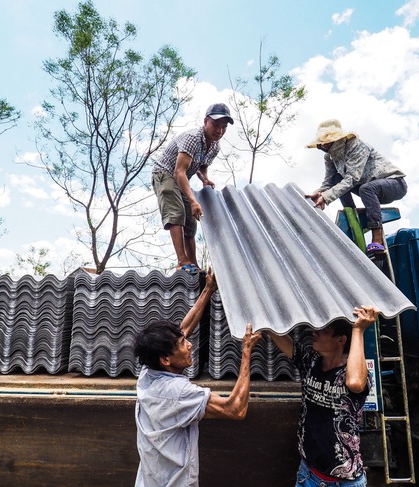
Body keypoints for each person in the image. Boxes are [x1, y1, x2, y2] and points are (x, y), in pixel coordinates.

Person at [133, 269, 262, 486]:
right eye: (183, 345)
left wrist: (208, 289)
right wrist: (246, 351)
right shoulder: (177, 393)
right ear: (165, 359)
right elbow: (235, 409)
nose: (189, 344)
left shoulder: (147, 375)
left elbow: (183, 329)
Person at [267, 306, 380, 487]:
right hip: (308, 474)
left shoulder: (352, 374)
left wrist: (358, 330)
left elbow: (356, 384)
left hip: (343, 483)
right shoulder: (311, 362)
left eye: (324, 330)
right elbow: (281, 338)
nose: (315, 333)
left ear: (340, 340)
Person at [151, 103, 234, 275]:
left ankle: (193, 263)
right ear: (205, 121)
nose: (219, 131)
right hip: (165, 174)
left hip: (181, 179)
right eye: (216, 125)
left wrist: (205, 179)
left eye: (223, 127)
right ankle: (182, 261)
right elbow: (179, 171)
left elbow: (201, 165)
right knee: (177, 212)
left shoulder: (214, 146)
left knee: (190, 221)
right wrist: (193, 200)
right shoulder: (193, 138)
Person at [304, 119, 407, 257]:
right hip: (368, 188)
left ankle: (378, 240)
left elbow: (352, 179)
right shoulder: (330, 157)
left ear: (333, 139)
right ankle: (352, 215)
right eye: (319, 145)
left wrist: (327, 197)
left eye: (322, 143)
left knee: (366, 188)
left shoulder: (357, 146)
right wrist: (318, 194)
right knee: (337, 179)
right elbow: (329, 181)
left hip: (394, 184)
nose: (321, 147)